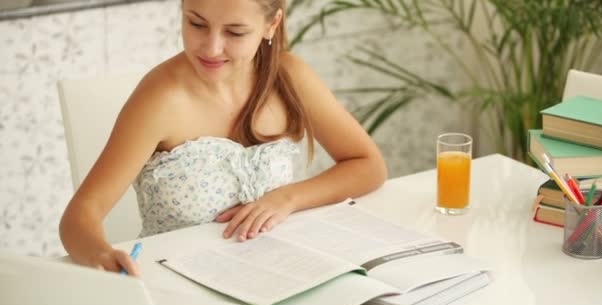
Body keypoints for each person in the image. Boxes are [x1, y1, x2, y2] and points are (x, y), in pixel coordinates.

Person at [59, 0, 387, 276]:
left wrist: (287, 198)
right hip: (179, 280)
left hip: (279, 271)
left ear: (271, 24)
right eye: (197, 24)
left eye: (235, 32)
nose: (212, 47)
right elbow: (81, 214)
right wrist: (101, 257)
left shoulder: (288, 77)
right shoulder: (160, 99)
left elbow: (368, 165)